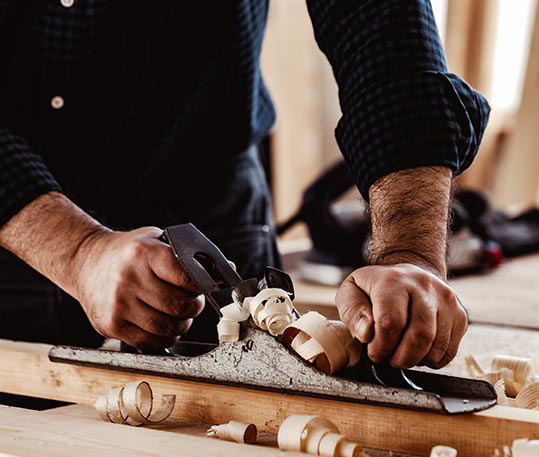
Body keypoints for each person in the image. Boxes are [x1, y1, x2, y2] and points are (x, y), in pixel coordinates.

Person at [0, 1, 488, 369]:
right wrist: (80, 250)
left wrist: (411, 255)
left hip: (210, 225)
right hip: (15, 238)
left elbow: (384, 31)